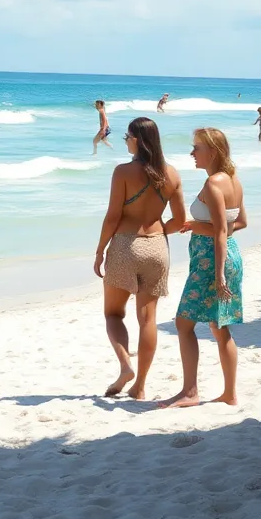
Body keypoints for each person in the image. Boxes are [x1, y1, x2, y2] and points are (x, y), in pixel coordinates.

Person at [94, 117, 186, 400]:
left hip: (125, 245)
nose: (125, 141)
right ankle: (140, 386)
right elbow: (180, 220)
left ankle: (125, 367)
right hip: (157, 248)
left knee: (113, 314)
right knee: (148, 320)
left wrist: (99, 251)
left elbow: (113, 217)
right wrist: (158, 233)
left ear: (137, 140)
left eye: (126, 137)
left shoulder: (122, 172)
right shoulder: (171, 174)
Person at [162, 128, 246, 409]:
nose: (192, 153)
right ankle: (230, 393)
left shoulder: (213, 183)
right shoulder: (233, 180)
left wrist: (219, 272)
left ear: (212, 151)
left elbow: (222, 231)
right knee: (220, 327)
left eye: (196, 147)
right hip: (229, 257)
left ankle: (190, 392)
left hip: (212, 262)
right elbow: (239, 223)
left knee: (183, 324)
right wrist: (200, 226)